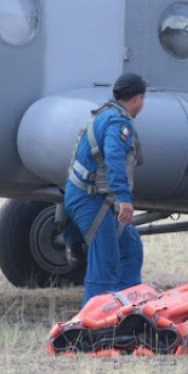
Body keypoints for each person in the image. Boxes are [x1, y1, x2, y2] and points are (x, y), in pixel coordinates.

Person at [64, 73, 147, 306]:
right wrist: (124, 198)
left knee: (130, 248)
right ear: (138, 98)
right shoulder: (117, 122)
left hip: (94, 196)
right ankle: (91, 320)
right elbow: (114, 159)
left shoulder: (105, 114)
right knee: (105, 262)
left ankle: (126, 309)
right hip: (90, 199)